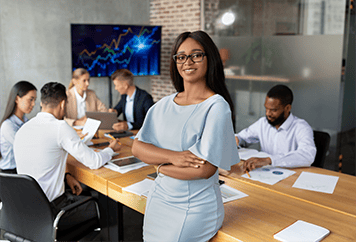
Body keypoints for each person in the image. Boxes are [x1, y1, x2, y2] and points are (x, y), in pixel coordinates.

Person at [131, 31, 239, 242]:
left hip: (194, 208)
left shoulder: (216, 107)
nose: (187, 62)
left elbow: (205, 169)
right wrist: (174, 157)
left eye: (196, 55)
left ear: (210, 58)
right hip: (159, 200)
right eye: (181, 56)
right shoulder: (162, 105)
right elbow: (137, 148)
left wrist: (160, 166)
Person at [13, 82, 121, 230]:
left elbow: (40, 163)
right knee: (103, 209)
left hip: (24, 211)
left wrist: (67, 175)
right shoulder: (60, 127)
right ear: (63, 104)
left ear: (42, 103)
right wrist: (110, 149)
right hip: (54, 213)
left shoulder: (23, 129)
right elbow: (94, 162)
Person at [235, 84, 316, 172]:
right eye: (266, 108)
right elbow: (242, 137)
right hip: (264, 174)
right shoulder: (263, 123)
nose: (268, 114)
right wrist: (237, 139)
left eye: (273, 110)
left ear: (287, 108)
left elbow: (307, 155)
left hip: (290, 176)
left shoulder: (301, 127)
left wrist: (269, 160)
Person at [0, 81, 37, 174]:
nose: (33, 104)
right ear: (17, 99)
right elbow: (26, 148)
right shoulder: (8, 126)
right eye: (31, 99)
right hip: (10, 174)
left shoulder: (26, 122)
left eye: (34, 100)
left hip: (23, 170)